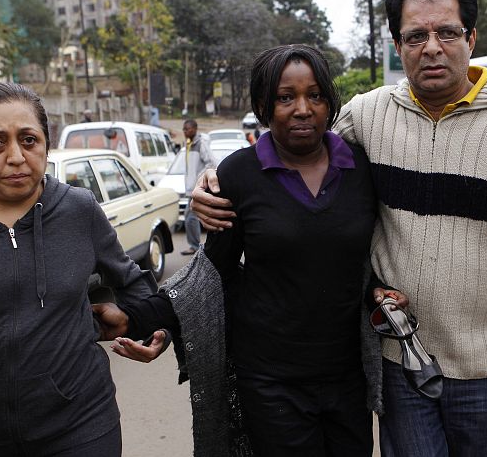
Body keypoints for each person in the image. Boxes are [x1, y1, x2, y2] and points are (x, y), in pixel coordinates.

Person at [190, 0, 487, 456]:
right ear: (398, 44)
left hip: (486, 371)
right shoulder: (368, 116)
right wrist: (217, 180)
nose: (432, 48)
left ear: (470, 38)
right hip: (399, 362)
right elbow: (294, 149)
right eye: (416, 36)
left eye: (447, 33)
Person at [111, 44, 386, 456]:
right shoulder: (239, 174)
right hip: (270, 379)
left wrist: (382, 291)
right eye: (285, 97)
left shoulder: (361, 168)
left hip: (348, 376)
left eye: (315, 95)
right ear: (262, 104)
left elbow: (371, 258)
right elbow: (210, 273)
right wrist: (143, 320)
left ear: (329, 100)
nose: (303, 109)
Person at [0, 82, 173, 457]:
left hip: (84, 424)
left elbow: (133, 281)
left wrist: (153, 329)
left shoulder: (78, 209)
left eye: (29, 140)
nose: (17, 156)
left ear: (46, 146)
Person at [180, 119, 216, 255]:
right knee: (191, 217)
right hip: (190, 189)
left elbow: (212, 163)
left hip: (197, 188)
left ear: (195, 129)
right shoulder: (188, 144)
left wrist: (198, 179)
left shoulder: (201, 144)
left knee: (190, 217)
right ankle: (197, 246)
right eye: (183, 129)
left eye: (187, 129)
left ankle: (195, 246)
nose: (185, 131)